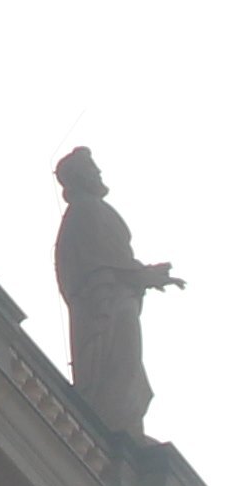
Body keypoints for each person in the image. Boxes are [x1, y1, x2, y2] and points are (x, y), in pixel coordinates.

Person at [52, 146, 183, 436]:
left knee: (125, 368)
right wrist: (146, 275)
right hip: (105, 308)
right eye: (91, 168)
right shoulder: (86, 211)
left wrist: (145, 275)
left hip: (114, 301)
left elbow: (112, 262)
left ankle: (123, 430)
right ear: (77, 178)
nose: (98, 172)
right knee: (118, 367)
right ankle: (119, 431)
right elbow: (104, 265)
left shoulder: (89, 210)